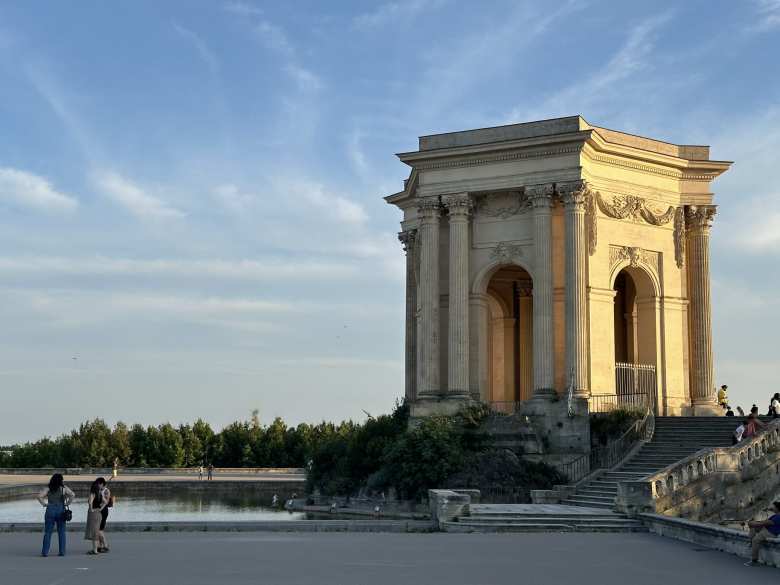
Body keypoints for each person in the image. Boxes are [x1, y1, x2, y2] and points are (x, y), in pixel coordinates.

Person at [37, 473, 75, 557]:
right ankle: (62, 552)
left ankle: (45, 552)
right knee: (61, 532)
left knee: (48, 532)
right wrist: (68, 503)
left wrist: (44, 504)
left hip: (50, 509)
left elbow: (39, 496)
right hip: (61, 510)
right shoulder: (63, 488)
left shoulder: (48, 488)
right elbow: (72, 494)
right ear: (60, 480)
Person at [746, 501, 780, 566]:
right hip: (766, 529)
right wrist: (753, 524)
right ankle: (751, 543)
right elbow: (764, 522)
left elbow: (764, 523)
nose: (772, 508)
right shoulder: (776, 515)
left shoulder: (778, 517)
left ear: (777, 508)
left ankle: (754, 560)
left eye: (774, 507)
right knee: (753, 528)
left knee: (755, 540)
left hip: (770, 533)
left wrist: (754, 523)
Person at [85, 478, 109, 555]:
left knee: (94, 532)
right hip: (99, 513)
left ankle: (95, 549)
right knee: (97, 530)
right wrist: (100, 508)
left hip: (93, 514)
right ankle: (99, 547)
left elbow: (90, 502)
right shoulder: (100, 494)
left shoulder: (92, 494)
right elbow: (105, 502)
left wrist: (91, 509)